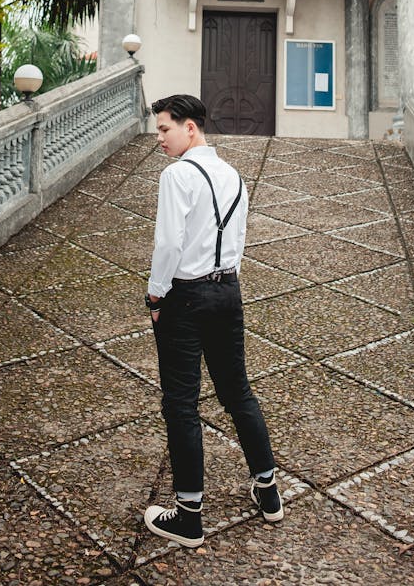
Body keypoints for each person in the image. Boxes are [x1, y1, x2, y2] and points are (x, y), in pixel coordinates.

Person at [143, 94, 282, 548]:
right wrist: (224, 282)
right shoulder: (233, 174)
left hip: (185, 296)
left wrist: (156, 293)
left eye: (165, 129)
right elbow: (238, 237)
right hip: (228, 291)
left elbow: (168, 244)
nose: (159, 138)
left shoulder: (177, 175)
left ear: (190, 128)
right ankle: (268, 492)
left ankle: (188, 517)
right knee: (237, 392)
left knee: (181, 404)